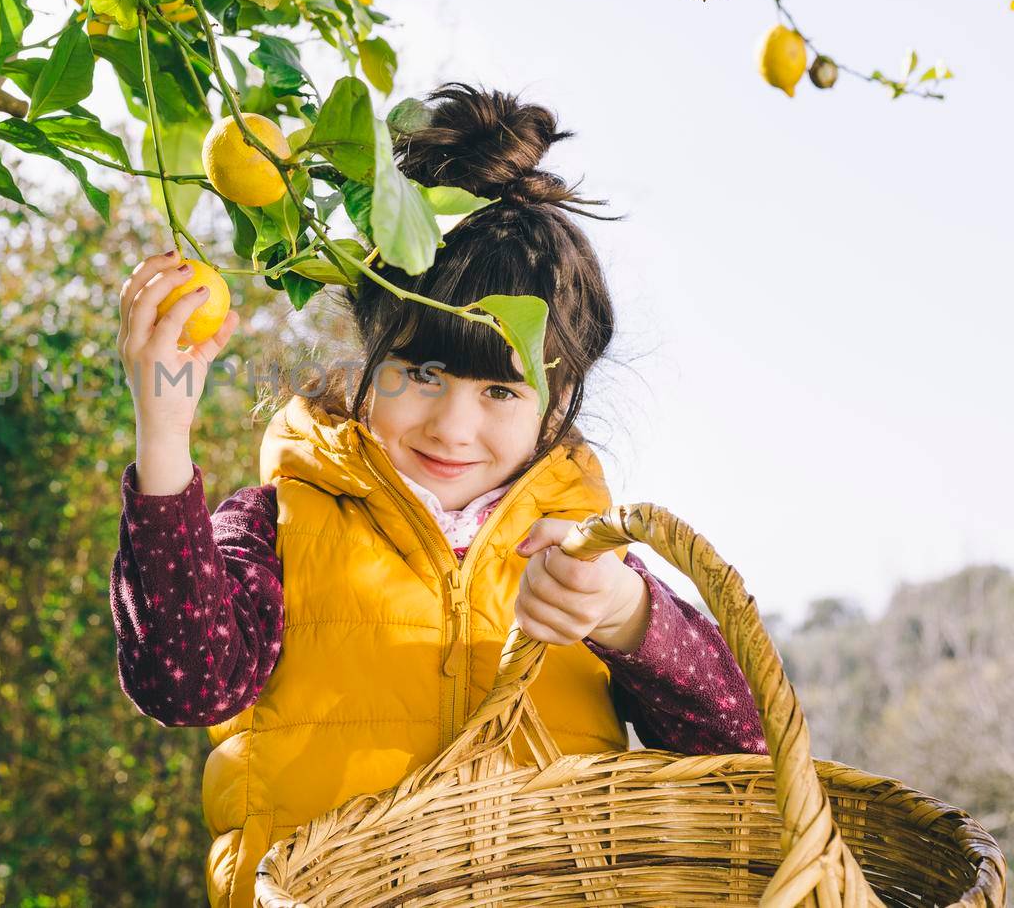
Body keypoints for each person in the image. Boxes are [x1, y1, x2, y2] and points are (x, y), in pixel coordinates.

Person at [110, 82, 767, 908]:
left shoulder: (582, 556)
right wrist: (164, 439)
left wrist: (628, 615)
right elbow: (184, 682)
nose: (454, 427)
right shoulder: (282, 520)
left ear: (558, 404)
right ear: (370, 355)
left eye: (500, 392)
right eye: (422, 373)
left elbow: (742, 752)